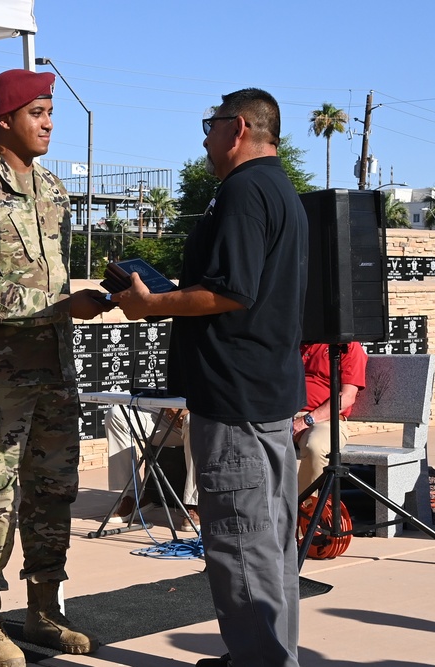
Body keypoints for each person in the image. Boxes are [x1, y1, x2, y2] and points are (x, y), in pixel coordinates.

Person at [114, 88, 307, 667]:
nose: (204, 136)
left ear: (239, 127)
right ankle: (265, 653)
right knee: (269, 546)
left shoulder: (245, 192)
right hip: (264, 393)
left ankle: (260, 661)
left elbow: (230, 292)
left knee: (241, 545)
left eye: (211, 124)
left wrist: (155, 303)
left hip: (235, 398)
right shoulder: (279, 189)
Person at [0, 69, 112, 667]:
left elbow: (53, 276)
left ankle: (43, 608)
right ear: (4, 118)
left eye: (50, 112)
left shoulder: (53, 190)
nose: (49, 123)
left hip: (54, 373)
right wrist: (61, 305)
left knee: (54, 492)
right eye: (37, 112)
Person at [104, 406, 199, 529]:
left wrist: (190, 408)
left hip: (204, 418)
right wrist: (168, 407)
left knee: (192, 420)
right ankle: (133, 497)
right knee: (115, 415)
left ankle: (195, 504)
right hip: (169, 418)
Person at [293, 342, 368, 497]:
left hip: (325, 420)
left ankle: (305, 513)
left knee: (315, 446)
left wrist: (306, 420)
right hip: (283, 417)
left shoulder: (347, 346)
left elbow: (346, 399)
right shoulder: (295, 340)